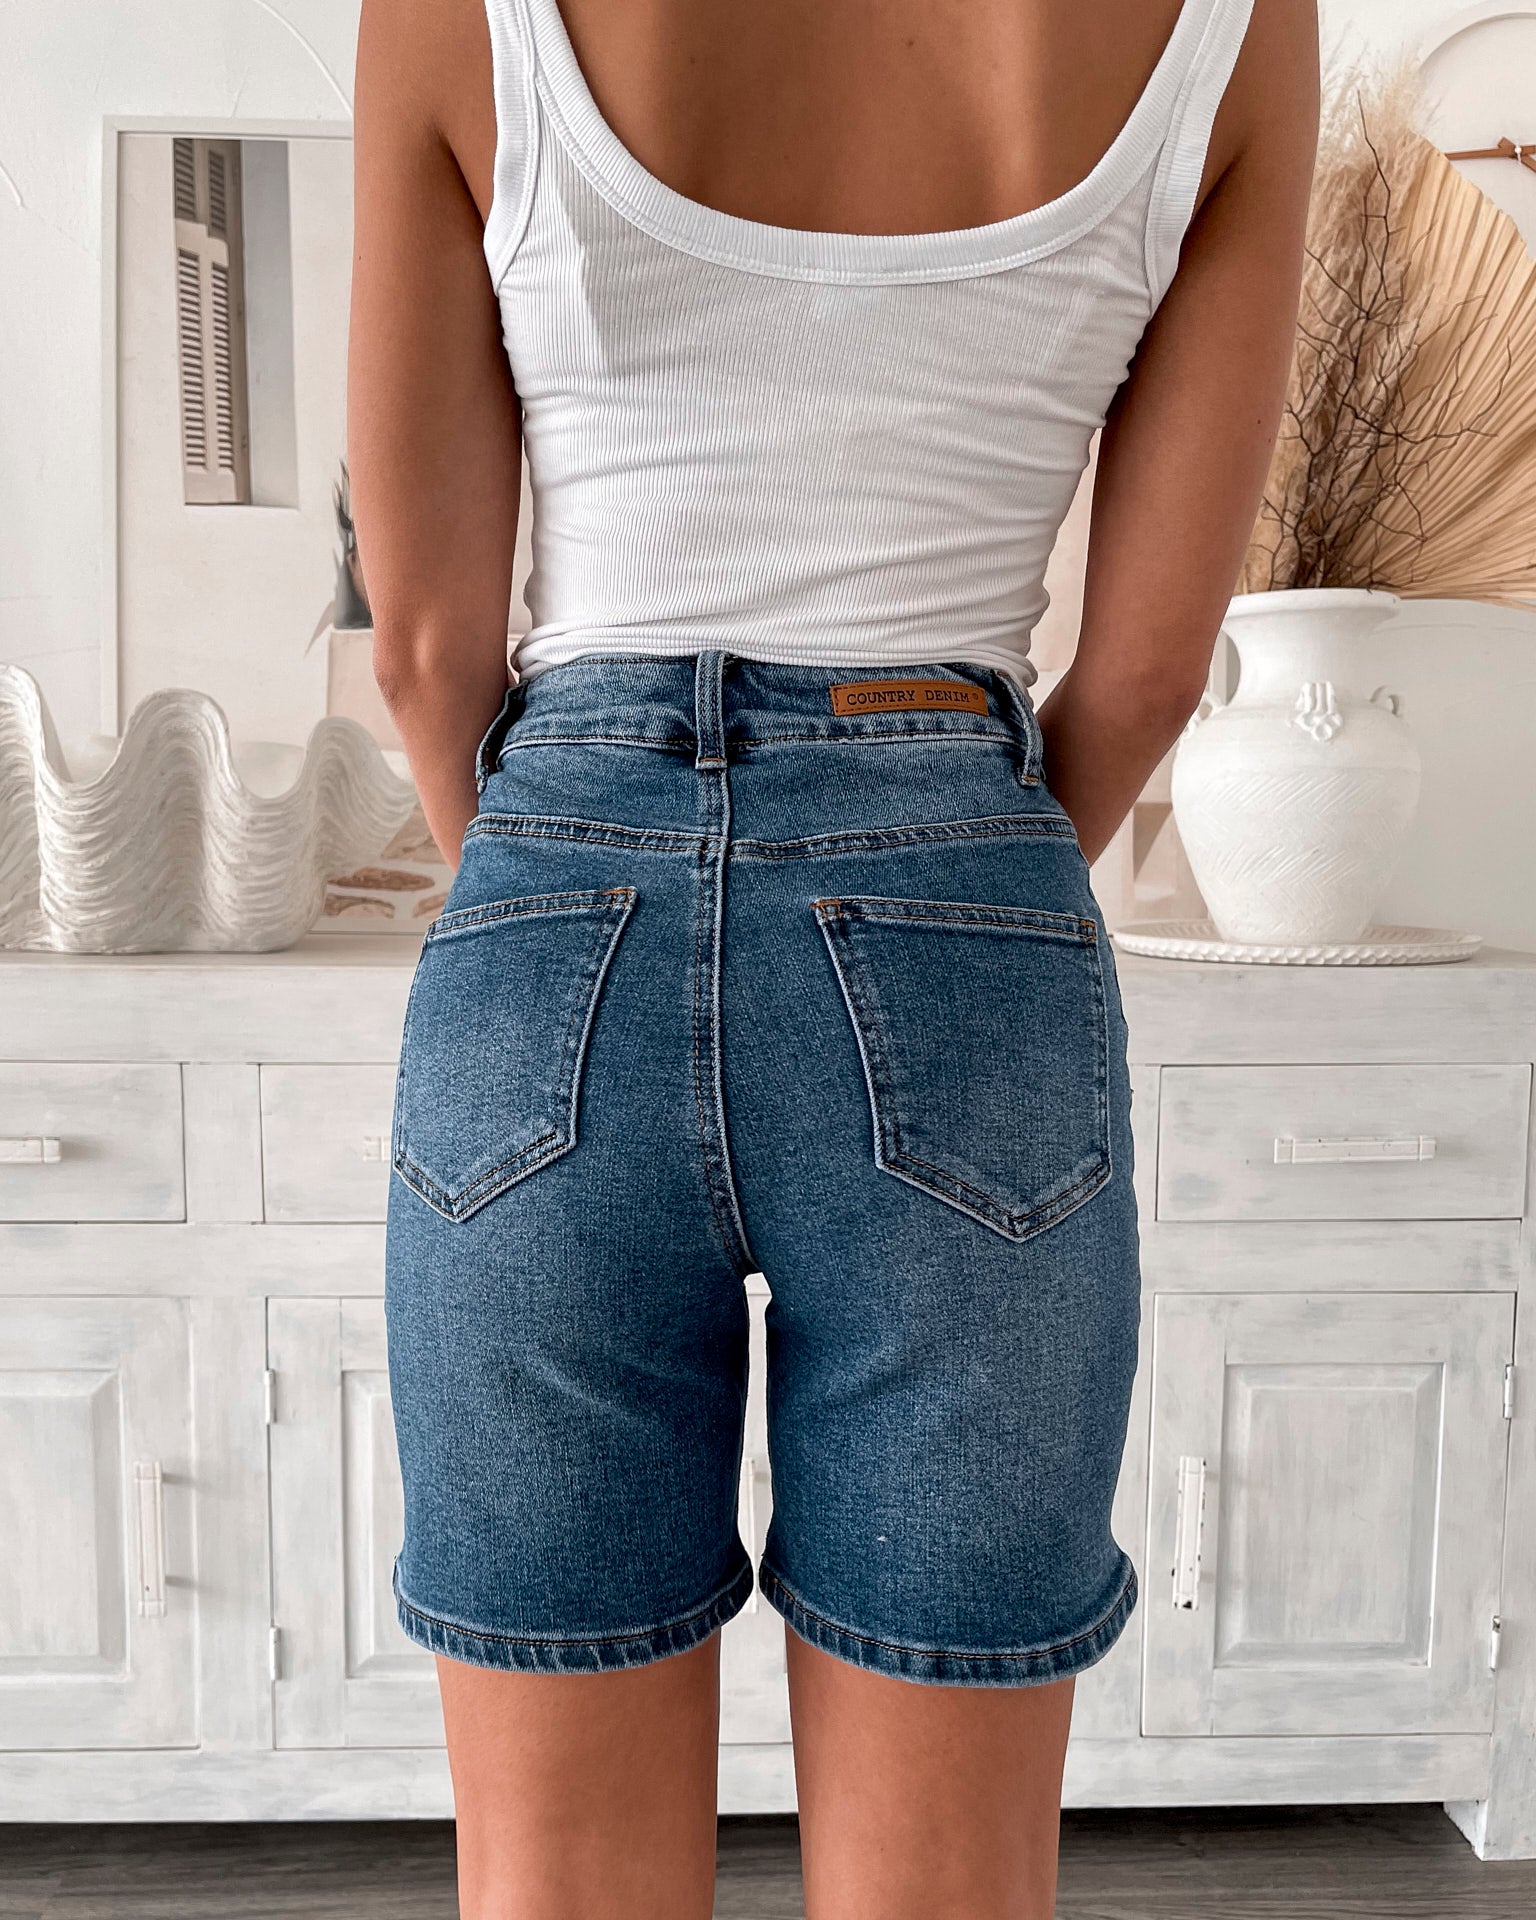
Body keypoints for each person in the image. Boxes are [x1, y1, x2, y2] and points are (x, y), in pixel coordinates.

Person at [347, 0, 1319, 1913]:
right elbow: (1142, 673)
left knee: (551, 1878)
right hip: (965, 901)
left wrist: (561, 908)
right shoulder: (1237, 27)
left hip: (559, 901)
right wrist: (961, 870)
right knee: (950, 1881)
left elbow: (426, 650)